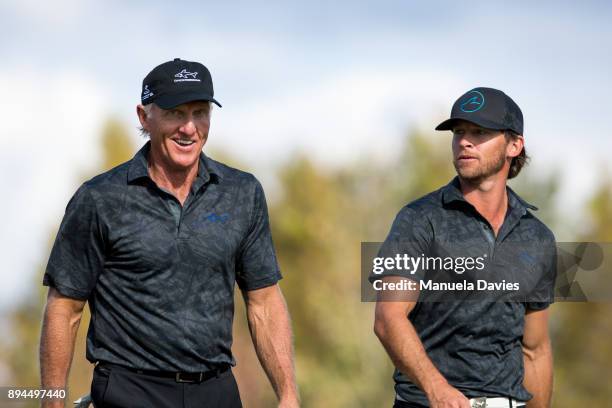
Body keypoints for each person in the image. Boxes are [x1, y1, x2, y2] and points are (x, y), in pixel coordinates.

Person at [40, 58, 299, 408]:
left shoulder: (242, 193)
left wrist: (288, 395)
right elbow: (65, 308)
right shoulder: (100, 199)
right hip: (128, 390)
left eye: (200, 112)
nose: (189, 128)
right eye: (176, 113)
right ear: (144, 116)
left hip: (216, 391)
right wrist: (51, 402)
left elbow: (264, 301)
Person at [371, 87, 556, 408]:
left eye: (479, 132)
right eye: (458, 133)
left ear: (514, 145)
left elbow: (535, 350)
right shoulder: (420, 219)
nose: (464, 142)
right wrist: (437, 390)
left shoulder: (537, 237)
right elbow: (389, 318)